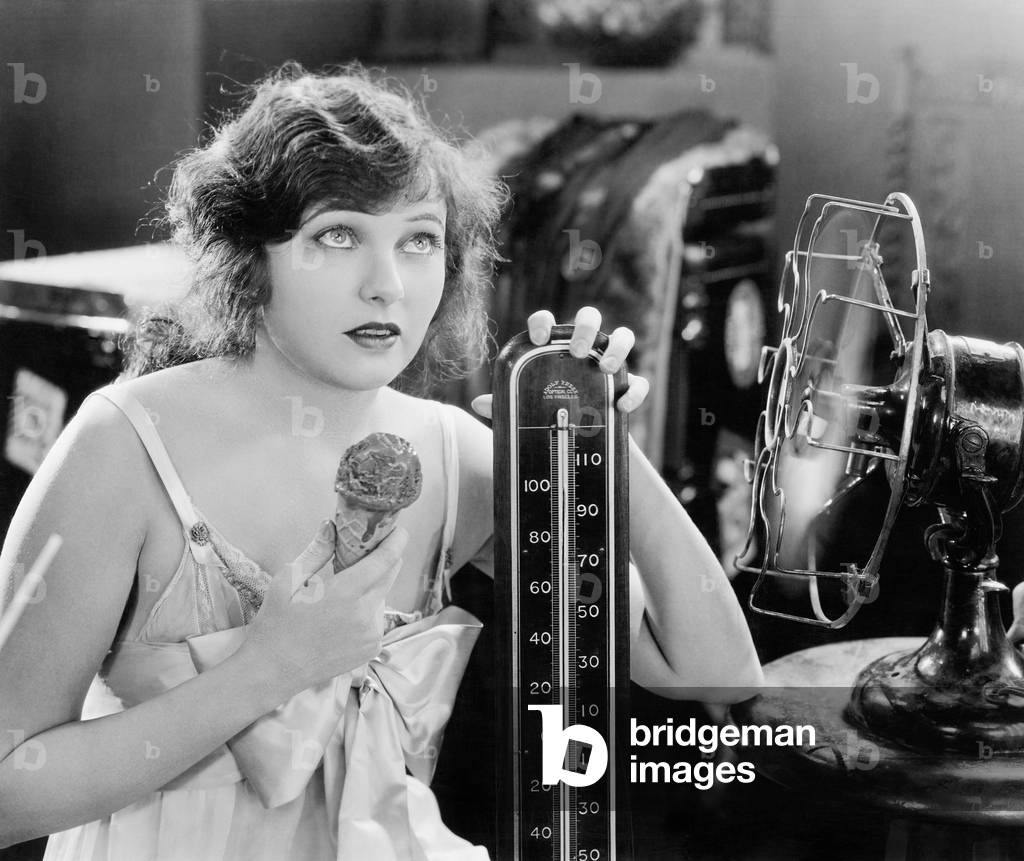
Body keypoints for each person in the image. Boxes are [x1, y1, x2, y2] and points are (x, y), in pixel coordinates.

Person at [0, 64, 762, 859]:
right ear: (249, 256)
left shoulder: (454, 457)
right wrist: (262, 672)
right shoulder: (123, 446)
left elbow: (713, 674)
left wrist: (613, 455)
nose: (387, 285)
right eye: (338, 235)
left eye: (419, 240)